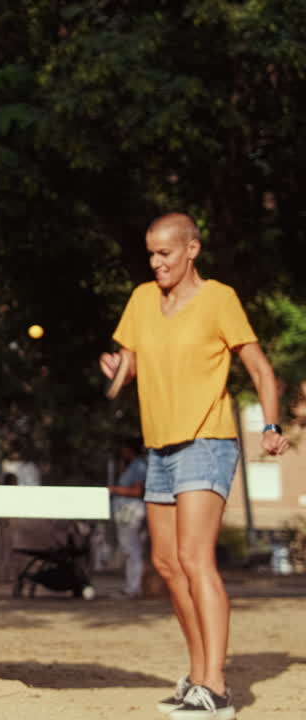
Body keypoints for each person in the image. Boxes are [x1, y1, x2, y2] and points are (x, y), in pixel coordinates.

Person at [100, 213, 288, 720]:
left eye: (166, 253)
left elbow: (261, 370)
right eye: (151, 254)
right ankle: (198, 677)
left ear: (192, 250)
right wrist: (119, 370)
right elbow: (131, 362)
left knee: (193, 557)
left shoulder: (219, 299)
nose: (157, 262)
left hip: (208, 440)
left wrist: (270, 427)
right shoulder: (142, 299)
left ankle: (218, 688)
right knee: (165, 563)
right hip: (159, 445)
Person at [108, 441, 147, 598]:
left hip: (131, 512)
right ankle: (131, 586)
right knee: (129, 550)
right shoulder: (130, 466)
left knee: (132, 550)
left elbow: (137, 491)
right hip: (125, 512)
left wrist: (113, 490)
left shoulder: (138, 466)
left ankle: (133, 588)